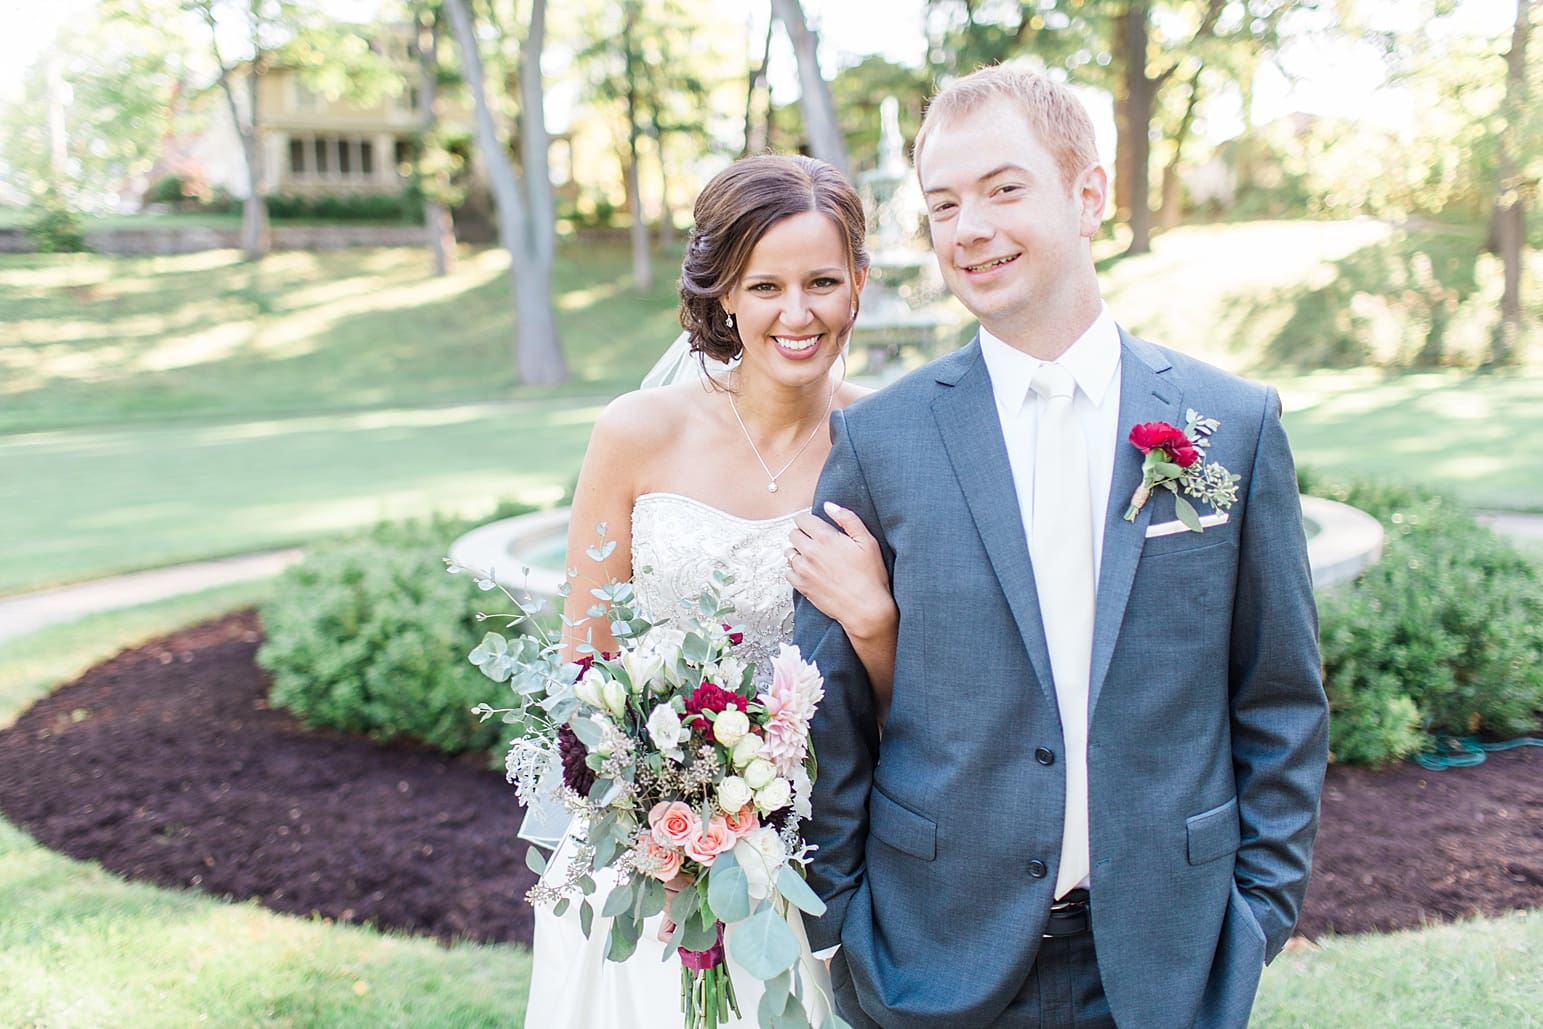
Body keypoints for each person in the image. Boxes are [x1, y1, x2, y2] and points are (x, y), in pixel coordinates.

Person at [795, 65, 1329, 1028]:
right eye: (943, 202)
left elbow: (1278, 696)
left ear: (1088, 195)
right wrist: (836, 919)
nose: (969, 228)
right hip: (930, 955)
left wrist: (1257, 912)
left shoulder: (1230, 424)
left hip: (1169, 956)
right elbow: (825, 709)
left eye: (1003, 189)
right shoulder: (878, 442)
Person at [522, 153, 896, 1028]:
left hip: (817, 848)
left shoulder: (888, 442)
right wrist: (658, 819)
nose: (796, 314)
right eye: (764, 284)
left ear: (859, 286)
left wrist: (873, 622)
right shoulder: (635, 431)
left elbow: (919, 704)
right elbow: (585, 662)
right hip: (647, 849)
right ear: (724, 292)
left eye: (822, 282)